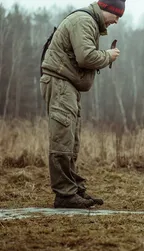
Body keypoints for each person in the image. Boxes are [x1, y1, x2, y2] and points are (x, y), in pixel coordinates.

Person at [40, 0, 125, 209]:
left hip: (67, 85)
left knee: (71, 140)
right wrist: (108, 56)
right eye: (117, 16)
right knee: (62, 139)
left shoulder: (88, 21)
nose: (116, 21)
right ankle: (65, 195)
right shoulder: (84, 21)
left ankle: (72, 189)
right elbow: (85, 56)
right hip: (60, 84)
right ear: (107, 9)